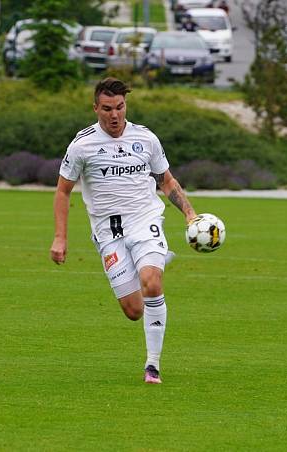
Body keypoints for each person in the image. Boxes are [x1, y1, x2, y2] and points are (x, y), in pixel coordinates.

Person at [50, 78, 197, 384]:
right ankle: (155, 260)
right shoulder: (82, 145)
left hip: (145, 220)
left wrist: (190, 214)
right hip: (108, 233)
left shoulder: (146, 139)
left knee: (152, 283)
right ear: (95, 109)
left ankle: (152, 365)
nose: (114, 115)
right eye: (107, 109)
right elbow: (63, 191)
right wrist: (61, 237)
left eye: (119, 107)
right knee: (133, 310)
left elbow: (166, 181)